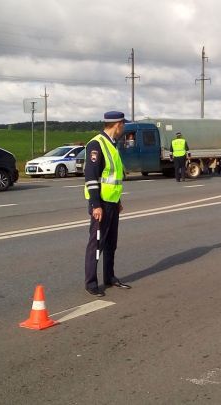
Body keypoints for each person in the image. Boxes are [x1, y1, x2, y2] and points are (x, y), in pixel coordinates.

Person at [83, 111, 132, 297]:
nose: (124, 128)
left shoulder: (112, 145)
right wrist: (96, 205)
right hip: (100, 204)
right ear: (118, 124)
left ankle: (109, 277)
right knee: (96, 244)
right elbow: (91, 176)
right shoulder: (97, 144)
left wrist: (118, 200)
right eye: (123, 124)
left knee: (111, 243)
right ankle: (91, 283)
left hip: (111, 202)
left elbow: (112, 177)